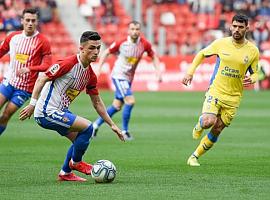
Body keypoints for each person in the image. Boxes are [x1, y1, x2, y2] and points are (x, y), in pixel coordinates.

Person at [19, 31, 125, 182]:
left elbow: (97, 102)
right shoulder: (67, 64)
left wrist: (112, 125)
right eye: (91, 48)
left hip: (59, 111)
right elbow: (42, 78)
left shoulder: (90, 75)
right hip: (45, 111)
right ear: (81, 48)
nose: (95, 52)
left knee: (79, 140)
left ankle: (65, 173)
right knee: (88, 128)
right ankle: (76, 163)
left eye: (98, 48)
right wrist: (32, 105)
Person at [182, 14, 259, 167]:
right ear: (230, 26)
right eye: (234, 26)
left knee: (217, 129)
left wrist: (253, 78)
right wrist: (190, 72)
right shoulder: (221, 43)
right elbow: (201, 54)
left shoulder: (252, 51)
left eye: (240, 27)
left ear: (247, 28)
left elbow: (256, 72)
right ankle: (199, 125)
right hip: (216, 90)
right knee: (208, 122)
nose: (236, 30)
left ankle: (194, 157)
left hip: (234, 97)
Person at [92, 21, 162, 140]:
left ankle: (95, 125)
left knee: (116, 106)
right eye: (132, 29)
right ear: (128, 31)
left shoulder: (144, 44)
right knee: (130, 101)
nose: (135, 31)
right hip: (119, 75)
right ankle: (125, 131)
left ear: (140, 31)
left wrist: (158, 71)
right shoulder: (122, 42)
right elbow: (106, 52)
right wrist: (98, 68)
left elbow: (154, 56)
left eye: (137, 29)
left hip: (129, 78)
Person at [0, 8, 52, 136]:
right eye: (27, 20)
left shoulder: (43, 41)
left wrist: (30, 68)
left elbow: (47, 65)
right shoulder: (13, 37)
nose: (30, 23)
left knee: (6, 115)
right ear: (22, 21)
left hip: (25, 89)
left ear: (37, 22)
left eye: (33, 21)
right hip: (9, 82)